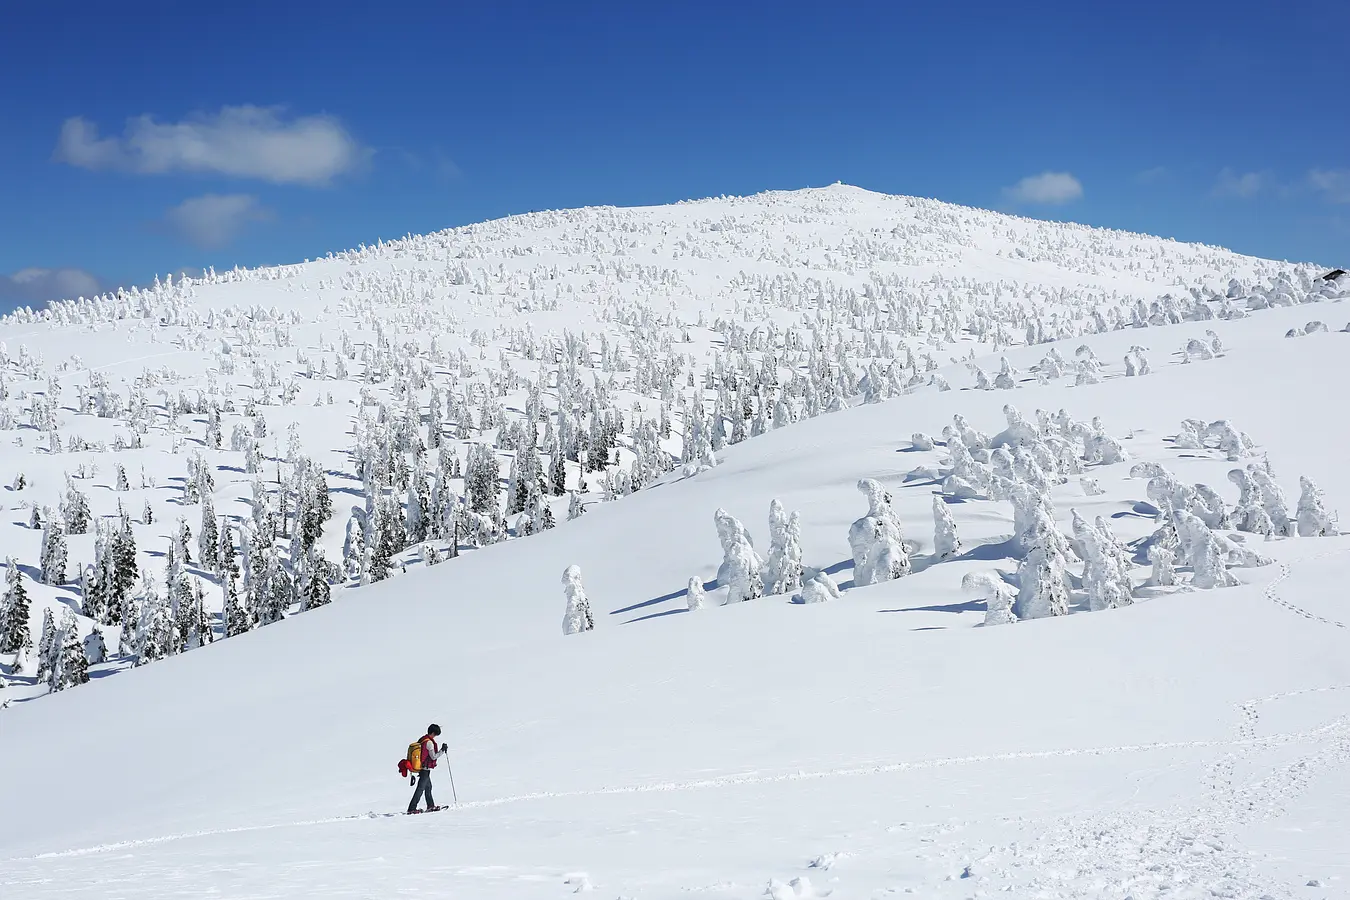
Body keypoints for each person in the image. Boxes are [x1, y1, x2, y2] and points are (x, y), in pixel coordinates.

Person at [407, 724, 447, 814]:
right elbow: (433, 757)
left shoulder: (422, 739)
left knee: (428, 787)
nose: (435, 736)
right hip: (425, 769)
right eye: (435, 734)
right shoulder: (429, 742)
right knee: (420, 789)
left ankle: (430, 805)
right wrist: (442, 750)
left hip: (421, 768)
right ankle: (411, 808)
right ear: (433, 733)